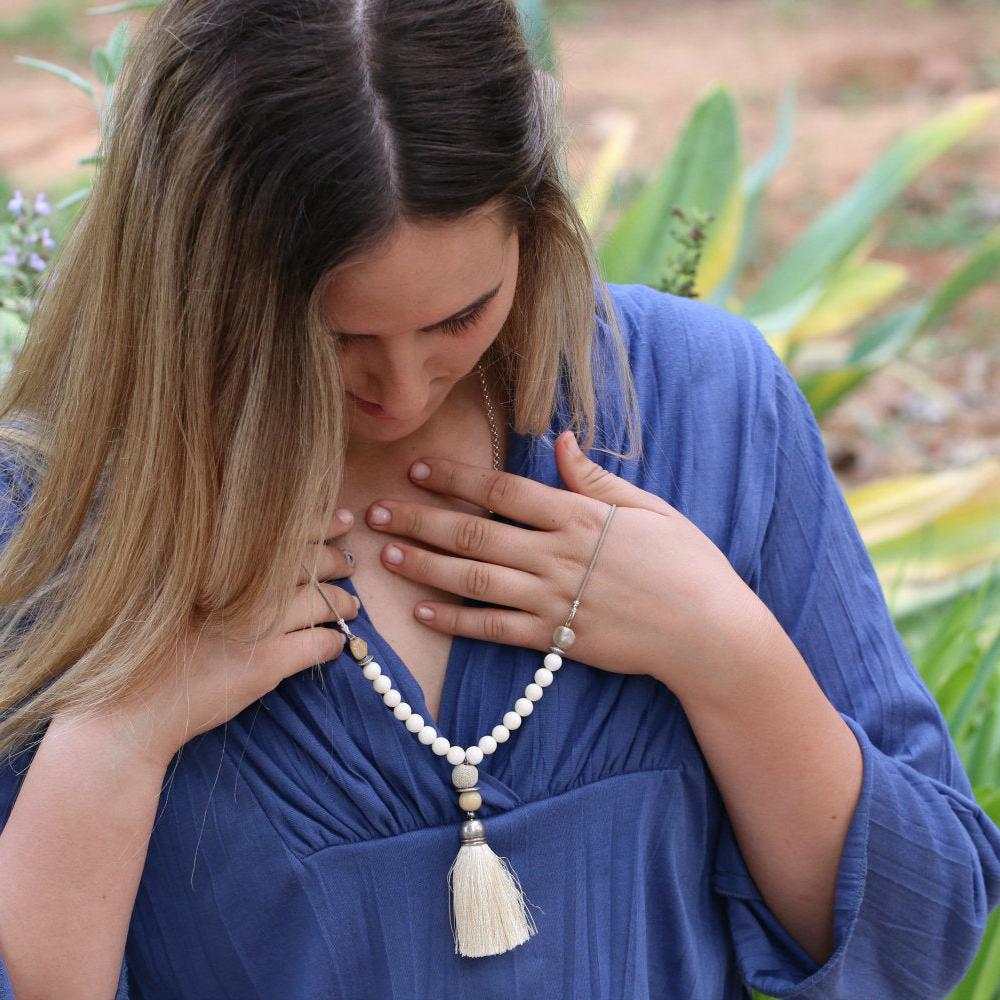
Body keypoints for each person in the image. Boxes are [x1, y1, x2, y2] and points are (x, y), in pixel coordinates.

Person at [1, 1, 998, 997]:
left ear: (538, 221)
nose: (401, 390)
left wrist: (724, 654)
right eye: (334, 340)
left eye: (459, 314)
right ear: (193, 276)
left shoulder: (702, 407)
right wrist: (116, 740)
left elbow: (921, 930)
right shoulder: (49, 517)